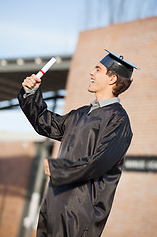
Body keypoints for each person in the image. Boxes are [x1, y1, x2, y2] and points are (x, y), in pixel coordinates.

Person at [18, 49, 139, 237]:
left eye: (97, 69)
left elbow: (99, 163)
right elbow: (45, 123)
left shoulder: (118, 121)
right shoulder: (80, 114)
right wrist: (31, 93)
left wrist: (58, 168)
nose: (91, 72)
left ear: (112, 78)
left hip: (79, 214)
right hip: (53, 204)